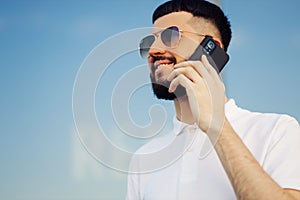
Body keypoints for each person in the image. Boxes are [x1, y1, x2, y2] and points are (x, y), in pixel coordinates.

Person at [126, 0, 300, 199]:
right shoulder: (143, 158)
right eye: (149, 42)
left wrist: (217, 125)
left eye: (171, 36)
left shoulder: (276, 131)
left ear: (210, 49)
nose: (153, 51)